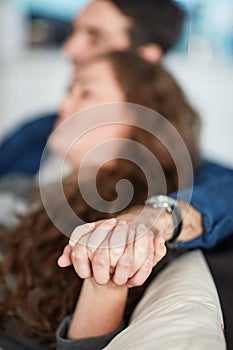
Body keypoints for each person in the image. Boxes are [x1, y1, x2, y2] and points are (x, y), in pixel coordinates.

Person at [0, 51, 221, 350]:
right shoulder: (23, 183)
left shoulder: (130, 226)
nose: (63, 105)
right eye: (69, 91)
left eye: (85, 92)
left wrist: (107, 277)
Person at [0, 0, 185, 176]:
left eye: (96, 38)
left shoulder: (179, 172)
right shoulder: (35, 132)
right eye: (73, 31)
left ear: (145, 60)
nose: (69, 48)